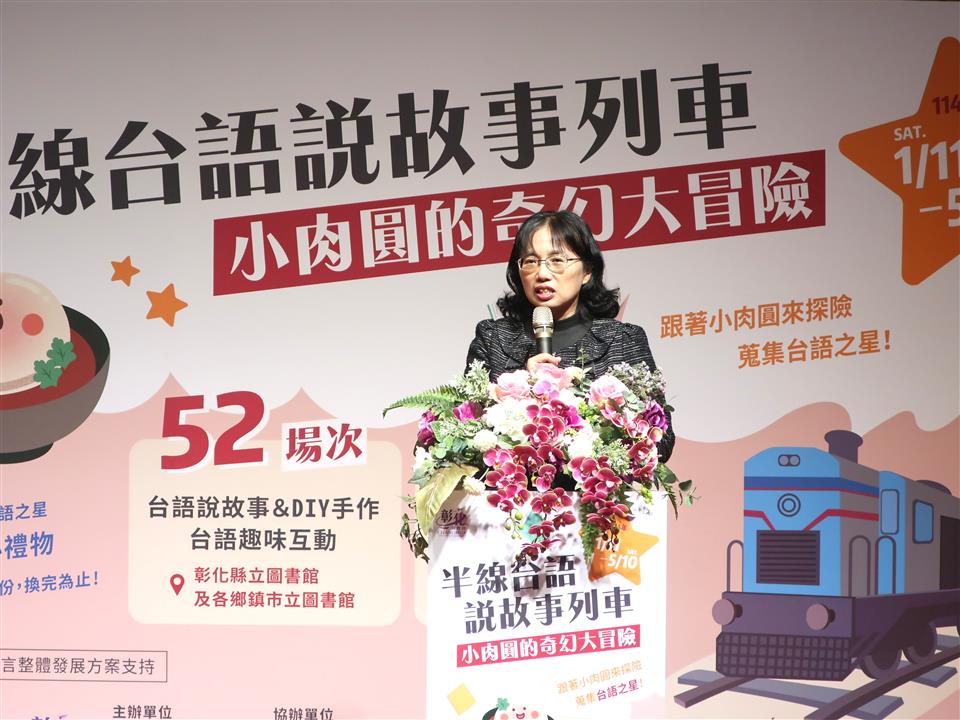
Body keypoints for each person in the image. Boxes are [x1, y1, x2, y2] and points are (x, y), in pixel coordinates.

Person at [465, 210, 674, 462]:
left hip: (597, 485)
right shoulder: (494, 339)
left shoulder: (622, 340)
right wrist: (527, 389)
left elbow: (661, 440)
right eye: (530, 261)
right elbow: (465, 433)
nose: (542, 274)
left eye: (557, 260)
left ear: (587, 271)